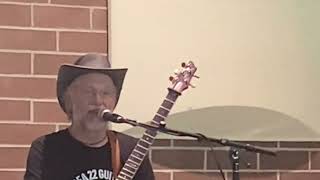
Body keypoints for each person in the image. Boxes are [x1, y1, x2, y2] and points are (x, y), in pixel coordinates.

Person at [24, 54, 155, 180]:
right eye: (88, 92)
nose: (98, 100)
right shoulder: (46, 148)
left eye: (106, 93)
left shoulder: (131, 150)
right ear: (70, 99)